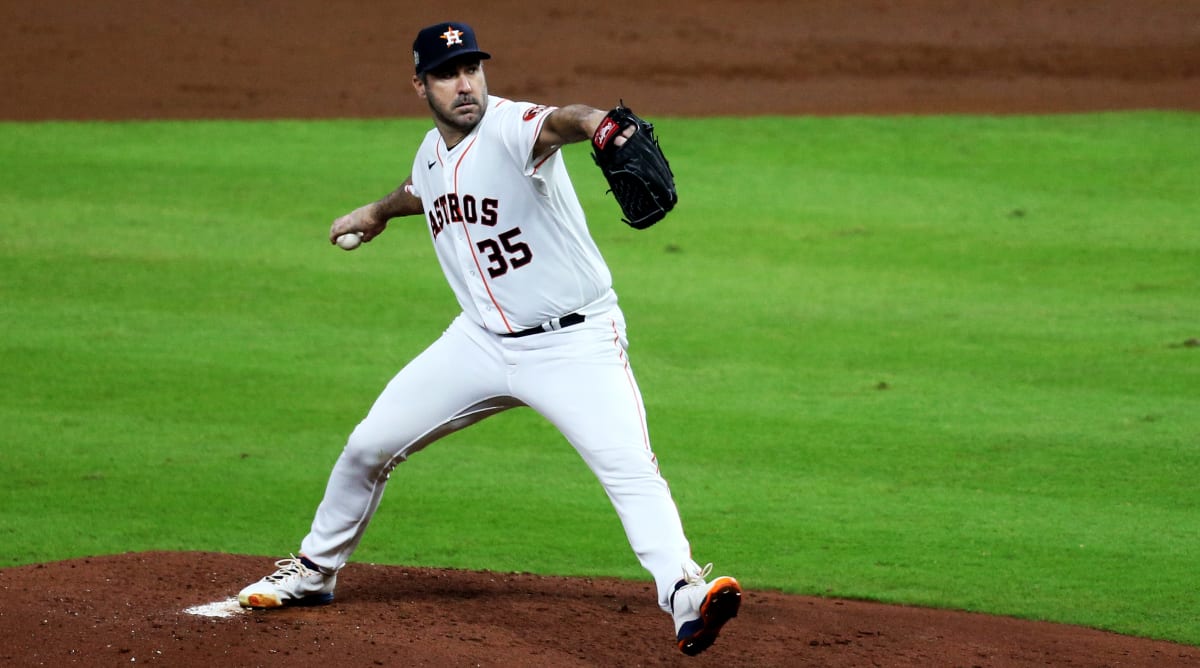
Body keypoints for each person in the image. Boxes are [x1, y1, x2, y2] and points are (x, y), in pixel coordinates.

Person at [237, 21, 740, 656]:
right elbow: (423, 189)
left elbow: (564, 120)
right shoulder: (429, 150)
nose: (465, 83)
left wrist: (602, 127)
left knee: (629, 470)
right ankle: (314, 571)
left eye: (472, 68)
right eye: (448, 73)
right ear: (420, 85)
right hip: (478, 344)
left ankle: (685, 596)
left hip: (573, 345)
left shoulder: (512, 126)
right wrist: (375, 213)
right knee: (368, 446)